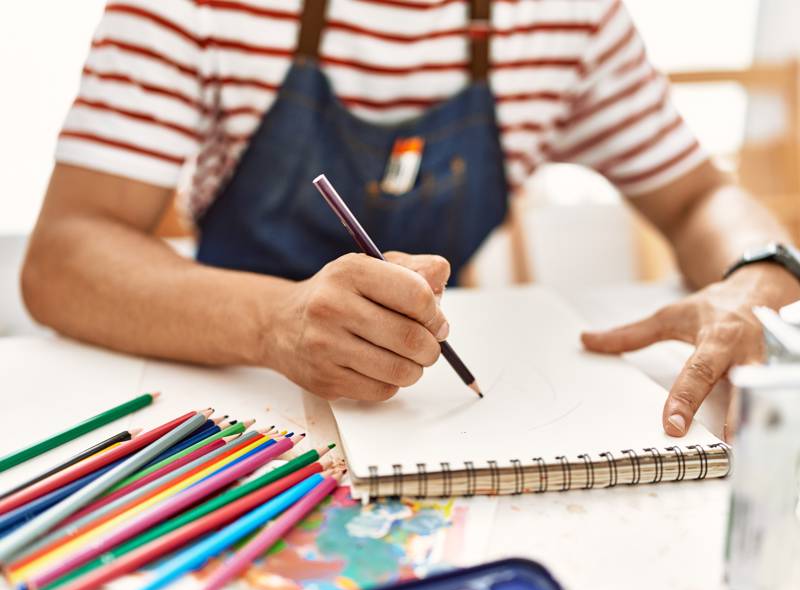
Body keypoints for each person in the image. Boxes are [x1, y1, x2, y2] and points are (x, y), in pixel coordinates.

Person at [21, 0, 800, 438]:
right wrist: (273, 321)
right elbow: (65, 254)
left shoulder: (571, 17)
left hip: (426, 418)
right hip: (227, 409)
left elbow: (700, 197)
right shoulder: (191, 9)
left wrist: (758, 274)